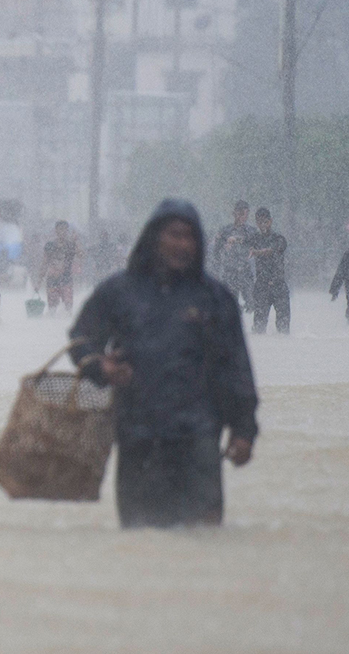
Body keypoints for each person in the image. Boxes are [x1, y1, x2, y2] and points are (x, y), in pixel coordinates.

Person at [68, 198, 259, 529]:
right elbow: (80, 339)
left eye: (190, 236)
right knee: (140, 539)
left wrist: (244, 430)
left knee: (204, 537)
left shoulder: (215, 298)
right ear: (153, 237)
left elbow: (236, 367)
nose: (182, 244)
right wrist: (101, 367)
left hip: (199, 437)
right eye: (174, 234)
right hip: (138, 435)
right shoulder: (120, 291)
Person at [248, 207, 290, 334]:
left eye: (265, 222)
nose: (262, 225)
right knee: (258, 328)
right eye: (259, 222)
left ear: (270, 221)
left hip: (279, 286)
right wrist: (232, 240)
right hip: (262, 286)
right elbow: (243, 242)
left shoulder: (279, 239)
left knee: (284, 329)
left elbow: (272, 250)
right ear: (256, 223)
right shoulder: (254, 238)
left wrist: (258, 252)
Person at [212, 200, 255, 312]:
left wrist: (237, 240)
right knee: (230, 305)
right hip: (230, 272)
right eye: (240, 213)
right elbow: (216, 251)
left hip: (246, 271)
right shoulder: (225, 231)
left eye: (245, 213)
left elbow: (253, 240)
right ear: (234, 213)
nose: (243, 217)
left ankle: (257, 328)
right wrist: (216, 271)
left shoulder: (251, 231)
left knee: (252, 304)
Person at [36, 220, 78, 315]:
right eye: (60, 229)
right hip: (52, 280)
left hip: (66, 279)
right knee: (52, 309)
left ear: (67, 231)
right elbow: (44, 264)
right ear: (56, 231)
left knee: (68, 308)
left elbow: (81, 255)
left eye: (65, 229)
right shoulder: (50, 246)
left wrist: (76, 241)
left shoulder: (71, 245)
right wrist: (38, 283)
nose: (62, 232)